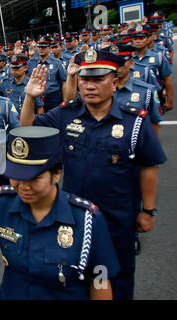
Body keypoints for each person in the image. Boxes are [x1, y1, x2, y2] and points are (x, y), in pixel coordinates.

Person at [20, 48, 167, 300]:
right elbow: (27, 129)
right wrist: (30, 98)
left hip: (117, 218)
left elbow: (148, 166)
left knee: (117, 276)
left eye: (98, 79)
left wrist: (148, 210)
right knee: (75, 274)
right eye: (85, 79)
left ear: (115, 82)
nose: (89, 86)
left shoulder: (135, 122)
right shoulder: (67, 114)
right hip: (75, 218)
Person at [0, 128, 120, 300]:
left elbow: (100, 281)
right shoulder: (1, 202)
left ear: (57, 173)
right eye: (16, 176)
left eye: (34, 178)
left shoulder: (87, 220)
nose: (24, 186)